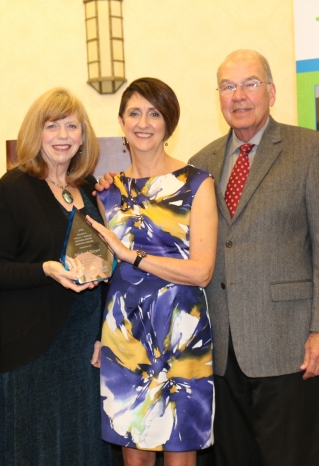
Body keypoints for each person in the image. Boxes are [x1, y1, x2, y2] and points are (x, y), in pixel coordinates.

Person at [99, 50, 319, 465]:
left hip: (286, 342)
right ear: (219, 96)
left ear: (270, 91)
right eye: (229, 87)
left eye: (250, 84)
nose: (239, 96)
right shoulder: (204, 161)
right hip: (217, 347)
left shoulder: (310, 149)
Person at [0, 88, 110, 466]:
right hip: (34, 345)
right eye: (53, 126)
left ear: (84, 135)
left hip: (85, 345)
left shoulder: (87, 186)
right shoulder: (14, 187)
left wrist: (102, 335)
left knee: (83, 445)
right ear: (36, 133)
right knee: (39, 450)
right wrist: (45, 270)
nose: (63, 135)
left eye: (72, 125)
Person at [90, 77, 217, 465]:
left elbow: (201, 272)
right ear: (121, 121)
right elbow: (104, 270)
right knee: (135, 459)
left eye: (154, 113)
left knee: (181, 455)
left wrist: (134, 256)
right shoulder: (107, 192)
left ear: (168, 123)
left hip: (182, 333)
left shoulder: (197, 183)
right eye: (134, 113)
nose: (143, 122)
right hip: (125, 333)